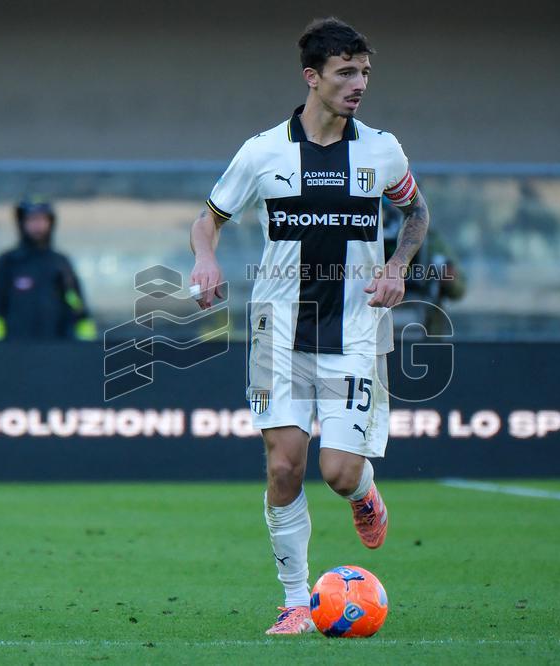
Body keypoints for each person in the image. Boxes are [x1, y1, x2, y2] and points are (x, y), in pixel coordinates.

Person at [189, 17, 429, 635]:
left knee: (338, 472)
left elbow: (415, 210)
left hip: (356, 331)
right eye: (346, 72)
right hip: (279, 331)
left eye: (365, 72)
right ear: (312, 78)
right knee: (284, 466)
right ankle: (296, 600)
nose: (359, 84)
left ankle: (364, 493)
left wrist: (400, 265)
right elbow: (209, 219)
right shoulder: (263, 152)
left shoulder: (381, 149)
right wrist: (206, 258)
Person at [0, 197, 97, 341]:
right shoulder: (6, 263)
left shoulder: (60, 263)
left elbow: (75, 301)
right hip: (15, 350)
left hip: (56, 348)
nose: (38, 225)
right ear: (21, 223)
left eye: (42, 219)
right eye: (32, 219)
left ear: (51, 223)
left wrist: (85, 337)